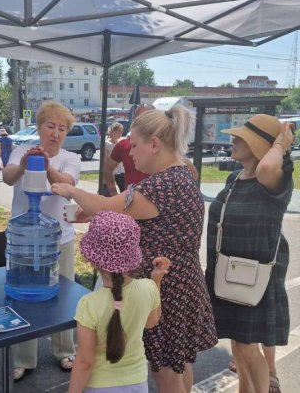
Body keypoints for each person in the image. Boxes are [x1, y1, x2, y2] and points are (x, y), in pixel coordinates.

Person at [52, 106, 217, 393]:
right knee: (178, 365)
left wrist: (74, 192)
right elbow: (138, 216)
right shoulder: (181, 175)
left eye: (135, 145)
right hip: (182, 282)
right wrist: (92, 214)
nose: (130, 154)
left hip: (167, 287)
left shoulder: (161, 185)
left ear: (154, 144)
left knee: (165, 372)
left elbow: (106, 205)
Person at [204, 114, 294, 393]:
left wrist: (281, 142)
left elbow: (267, 167)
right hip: (228, 272)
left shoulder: (274, 181)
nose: (233, 140)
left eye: (241, 137)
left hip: (255, 274)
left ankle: (263, 387)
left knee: (246, 344)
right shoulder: (234, 178)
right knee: (238, 346)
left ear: (260, 145)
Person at [2, 100, 81, 381]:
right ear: (39, 127)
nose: (55, 133)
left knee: (62, 296)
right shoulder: (21, 151)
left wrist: (47, 168)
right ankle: (24, 358)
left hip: (60, 239)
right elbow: (7, 178)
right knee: (24, 297)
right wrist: (24, 164)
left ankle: (65, 351)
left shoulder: (71, 158)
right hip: (26, 240)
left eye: (62, 128)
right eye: (50, 126)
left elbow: (67, 186)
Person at [68, 211, 170, 393]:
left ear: (92, 261)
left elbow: (85, 361)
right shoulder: (148, 287)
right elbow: (151, 323)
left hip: (99, 386)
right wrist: (156, 281)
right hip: (138, 383)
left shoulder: (88, 304)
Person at [104, 123, 126, 193]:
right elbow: (105, 160)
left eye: (121, 131)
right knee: (111, 191)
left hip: (121, 171)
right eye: (119, 131)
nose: (120, 133)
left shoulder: (121, 143)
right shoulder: (107, 144)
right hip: (111, 171)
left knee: (124, 190)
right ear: (113, 131)